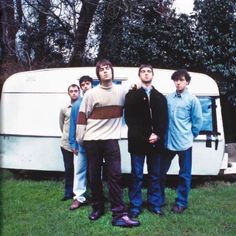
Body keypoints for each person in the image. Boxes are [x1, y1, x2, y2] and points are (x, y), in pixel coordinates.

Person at [77, 59, 140, 227]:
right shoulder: (91, 94)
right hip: (92, 140)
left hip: (111, 140)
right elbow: (82, 117)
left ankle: (119, 213)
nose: (105, 71)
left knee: (115, 175)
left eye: (107, 69)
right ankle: (97, 208)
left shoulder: (121, 91)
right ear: (98, 74)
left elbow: (135, 99)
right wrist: (80, 140)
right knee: (94, 176)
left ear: (112, 72)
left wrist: (136, 87)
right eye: (101, 69)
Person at [124, 64, 168, 218]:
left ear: (153, 75)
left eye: (149, 71)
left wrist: (157, 135)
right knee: (137, 175)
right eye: (143, 71)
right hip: (137, 143)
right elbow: (130, 120)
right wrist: (145, 136)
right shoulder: (132, 95)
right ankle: (135, 206)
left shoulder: (160, 97)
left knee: (155, 175)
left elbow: (164, 120)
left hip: (156, 143)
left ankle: (154, 204)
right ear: (139, 75)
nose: (146, 74)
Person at [160, 69, 203, 213]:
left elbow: (197, 121)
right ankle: (159, 199)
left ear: (187, 82)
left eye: (181, 80)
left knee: (184, 175)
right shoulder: (168, 98)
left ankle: (181, 202)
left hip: (184, 143)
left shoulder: (192, 100)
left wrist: (191, 136)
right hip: (168, 143)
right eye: (176, 80)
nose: (178, 82)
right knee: (160, 172)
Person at [68, 76, 93, 210]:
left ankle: (97, 195)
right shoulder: (77, 104)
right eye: (82, 84)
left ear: (92, 85)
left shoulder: (97, 99)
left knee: (96, 171)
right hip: (80, 145)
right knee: (79, 171)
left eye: (87, 83)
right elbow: (72, 125)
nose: (85, 86)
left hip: (95, 143)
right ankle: (79, 197)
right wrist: (73, 144)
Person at [59, 84, 80, 201]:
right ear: (68, 93)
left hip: (79, 144)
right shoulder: (64, 108)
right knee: (69, 168)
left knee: (80, 169)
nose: (74, 93)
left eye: (76, 91)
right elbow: (61, 124)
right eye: (71, 91)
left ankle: (81, 192)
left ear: (79, 92)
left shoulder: (83, 106)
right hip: (66, 144)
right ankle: (68, 192)